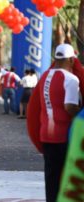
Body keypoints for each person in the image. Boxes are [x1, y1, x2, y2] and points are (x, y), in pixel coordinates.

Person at [37, 44, 80, 202]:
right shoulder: (70, 79)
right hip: (65, 136)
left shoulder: (44, 76)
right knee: (67, 178)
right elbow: (69, 106)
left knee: (51, 178)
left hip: (46, 134)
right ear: (70, 60)